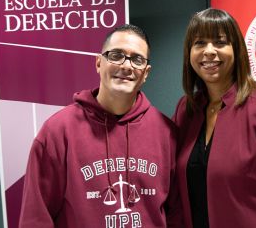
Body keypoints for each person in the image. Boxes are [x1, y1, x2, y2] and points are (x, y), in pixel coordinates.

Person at [19, 24, 183, 228]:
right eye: (116, 55)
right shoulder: (57, 132)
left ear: (146, 72)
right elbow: (36, 217)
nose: (126, 66)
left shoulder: (166, 133)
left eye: (137, 59)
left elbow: (176, 215)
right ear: (99, 62)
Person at [172, 8, 256, 228]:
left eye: (219, 42)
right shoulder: (185, 109)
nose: (209, 51)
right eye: (199, 43)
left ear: (237, 50)